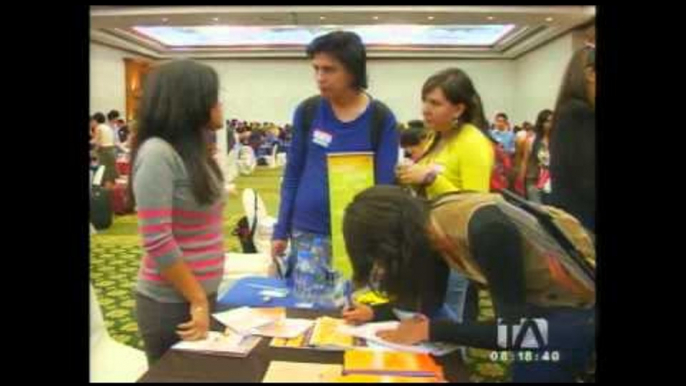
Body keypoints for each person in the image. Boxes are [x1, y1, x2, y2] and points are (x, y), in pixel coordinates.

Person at [342, 185, 596, 382]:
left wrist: (430, 331)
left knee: (537, 369)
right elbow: (429, 298)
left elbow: (517, 333)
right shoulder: (428, 226)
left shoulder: (486, 230)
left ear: (393, 240)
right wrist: (376, 313)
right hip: (536, 306)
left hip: (575, 307)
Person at [272, 30, 399, 302]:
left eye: (329, 69)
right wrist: (281, 230)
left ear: (353, 71)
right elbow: (293, 173)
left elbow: (384, 188)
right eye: (316, 69)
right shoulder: (307, 111)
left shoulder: (380, 118)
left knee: (355, 317)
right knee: (308, 318)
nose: (320, 77)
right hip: (308, 234)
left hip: (358, 239)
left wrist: (380, 243)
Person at [128, 59, 226, 365]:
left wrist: (202, 298)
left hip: (200, 297)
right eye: (213, 97)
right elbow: (157, 239)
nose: (220, 104)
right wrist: (196, 298)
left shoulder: (194, 150)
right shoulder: (158, 153)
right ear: (191, 102)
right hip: (172, 304)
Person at [395, 68, 493, 325]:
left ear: (458, 109)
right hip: (430, 245)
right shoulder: (435, 139)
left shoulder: (472, 141)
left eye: (435, 103)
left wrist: (431, 178)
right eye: (425, 101)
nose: (426, 109)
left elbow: (476, 208)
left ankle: (455, 363)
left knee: (449, 319)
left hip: (455, 250)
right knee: (429, 313)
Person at [549, 44, 596, 233]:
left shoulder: (567, 111)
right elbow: (588, 179)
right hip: (585, 221)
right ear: (591, 74)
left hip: (573, 219)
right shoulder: (580, 114)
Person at [520, 109, 554, 204]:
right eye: (547, 121)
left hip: (552, 183)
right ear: (541, 123)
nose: (550, 124)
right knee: (536, 210)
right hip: (534, 180)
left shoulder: (558, 140)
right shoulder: (532, 140)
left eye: (553, 121)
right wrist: (521, 180)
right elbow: (525, 161)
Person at [92, 112, 119, 189]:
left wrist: (94, 153)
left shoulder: (98, 127)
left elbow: (98, 144)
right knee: (110, 175)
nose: (92, 123)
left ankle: (107, 196)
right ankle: (111, 195)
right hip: (112, 151)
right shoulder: (107, 127)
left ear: (95, 120)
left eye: (92, 121)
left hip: (104, 152)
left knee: (105, 175)